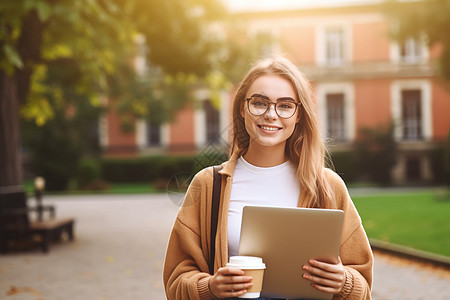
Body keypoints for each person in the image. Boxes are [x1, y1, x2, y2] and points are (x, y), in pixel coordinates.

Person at [163, 56, 373, 300]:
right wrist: (210, 287)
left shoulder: (327, 186)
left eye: (285, 105)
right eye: (260, 103)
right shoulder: (208, 184)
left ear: (299, 116)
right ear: (243, 108)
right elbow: (176, 281)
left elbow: (362, 283)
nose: (271, 114)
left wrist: (343, 282)